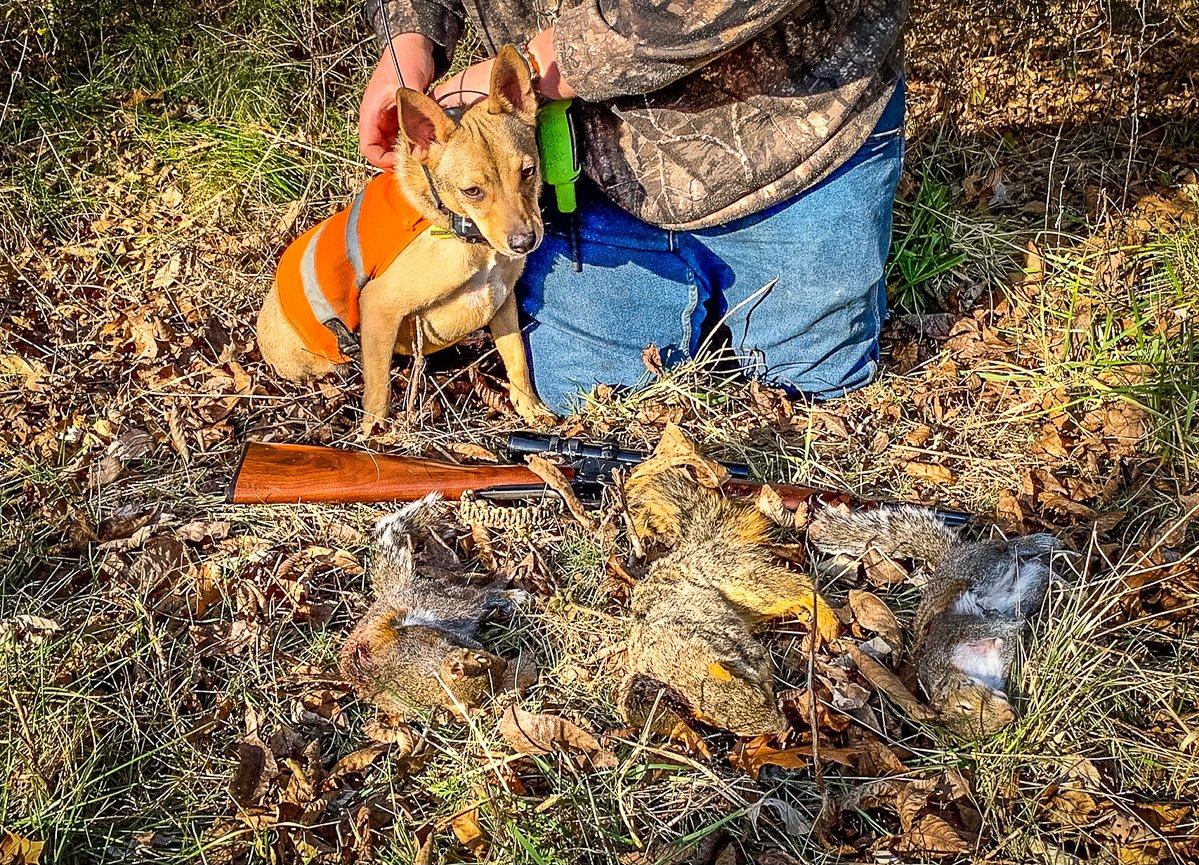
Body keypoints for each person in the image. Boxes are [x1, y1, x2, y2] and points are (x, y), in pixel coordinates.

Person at [359, 1, 905, 415]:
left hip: (800, 138)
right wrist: (412, 31)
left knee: (822, 405)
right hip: (587, 173)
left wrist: (552, 59)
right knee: (589, 405)